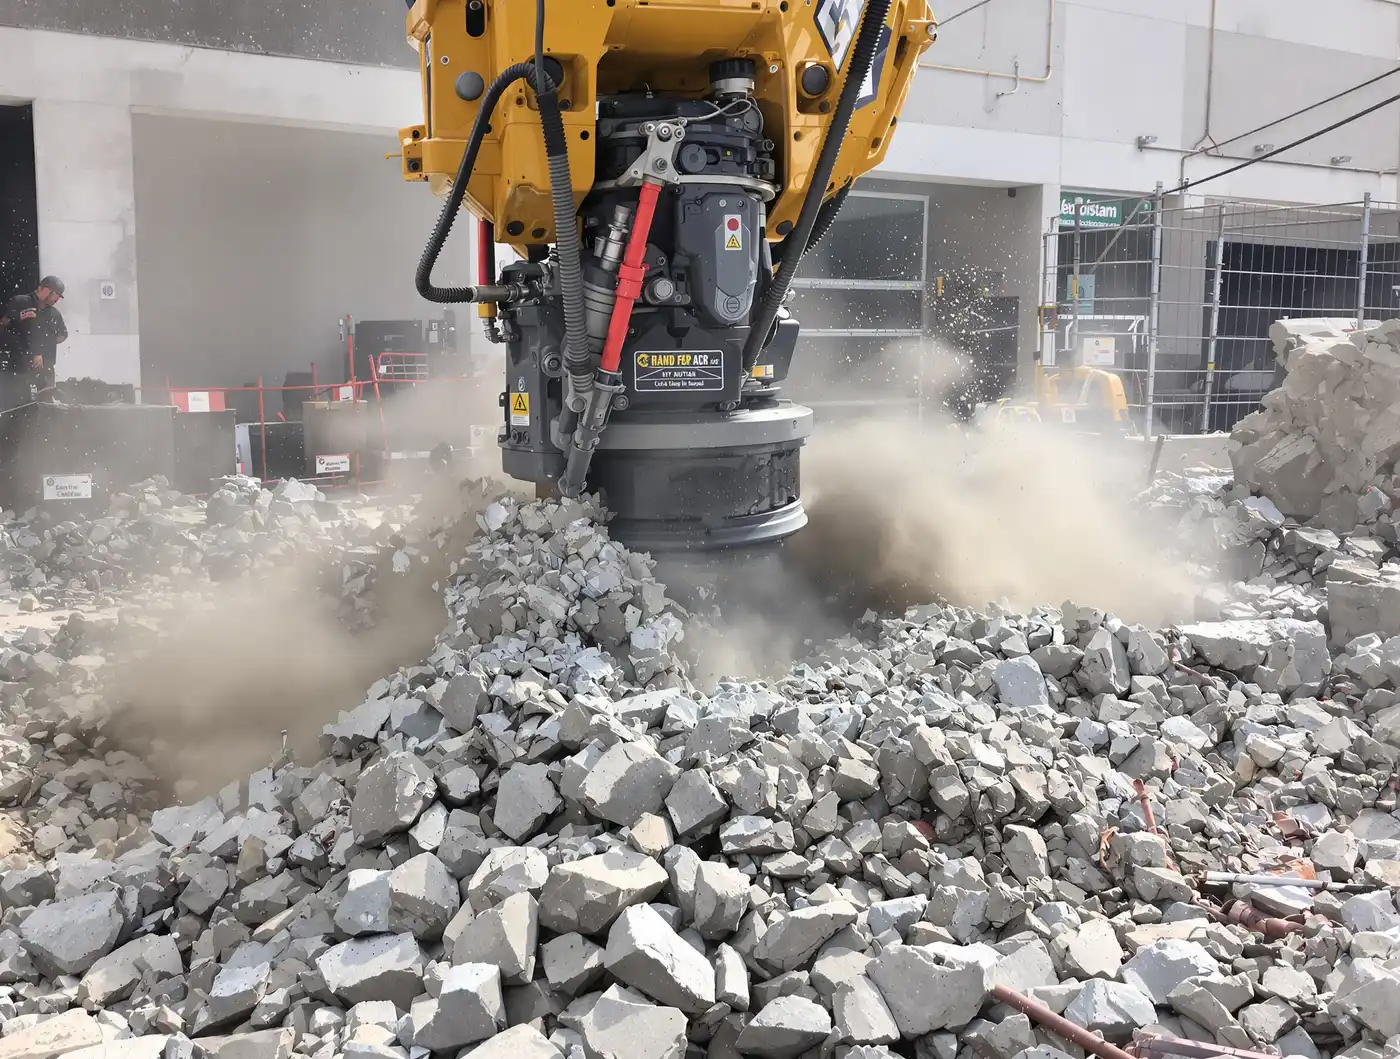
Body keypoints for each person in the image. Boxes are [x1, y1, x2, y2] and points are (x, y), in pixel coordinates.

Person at [0, 276, 66, 409]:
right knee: (20, 406)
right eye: (56, 295)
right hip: (20, 367)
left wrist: (41, 349)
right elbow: (4, 325)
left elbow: (62, 335)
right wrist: (27, 349)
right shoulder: (21, 302)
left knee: (46, 407)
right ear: (46, 290)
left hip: (45, 369)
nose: (57, 300)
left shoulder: (54, 314)